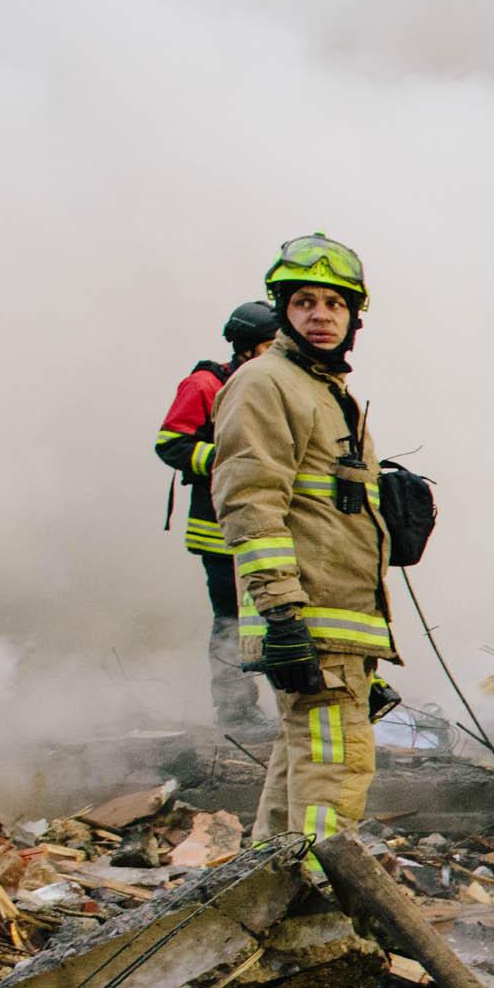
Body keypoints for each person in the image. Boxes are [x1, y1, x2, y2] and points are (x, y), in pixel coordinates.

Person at [215, 234, 392, 844]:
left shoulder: (321, 390)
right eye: (305, 302)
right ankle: (314, 916)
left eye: (335, 305)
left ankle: (267, 895)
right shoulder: (266, 382)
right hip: (308, 617)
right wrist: (284, 615)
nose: (321, 315)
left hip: (336, 621)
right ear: (284, 311)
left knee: (301, 768)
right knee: (335, 773)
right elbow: (250, 502)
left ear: (353, 318)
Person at [154, 301, 281, 732]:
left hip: (269, 526)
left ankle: (281, 704)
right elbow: (171, 443)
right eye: (270, 345)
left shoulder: (273, 386)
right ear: (246, 348)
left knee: (275, 615)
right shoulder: (206, 384)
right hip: (219, 529)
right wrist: (229, 459)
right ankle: (236, 710)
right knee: (232, 619)